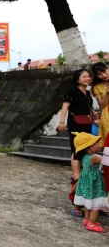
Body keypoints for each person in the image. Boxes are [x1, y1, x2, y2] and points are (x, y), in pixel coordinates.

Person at [58, 69, 98, 217]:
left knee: (86, 147)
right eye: (84, 76)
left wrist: (93, 112)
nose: (87, 79)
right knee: (76, 148)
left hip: (86, 122)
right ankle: (75, 174)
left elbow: (87, 106)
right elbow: (65, 107)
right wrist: (61, 121)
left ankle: (80, 169)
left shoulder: (87, 93)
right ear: (77, 79)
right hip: (75, 123)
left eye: (89, 76)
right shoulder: (71, 91)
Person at [72, 132, 108, 233]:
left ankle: (87, 220)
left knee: (88, 203)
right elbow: (106, 161)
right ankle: (92, 223)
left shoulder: (84, 157)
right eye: (96, 143)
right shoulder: (94, 157)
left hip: (87, 185)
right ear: (88, 148)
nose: (99, 145)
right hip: (94, 185)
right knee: (96, 205)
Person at [91, 62, 109, 147]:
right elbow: (102, 105)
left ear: (108, 68)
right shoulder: (97, 87)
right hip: (107, 116)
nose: (103, 75)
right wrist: (107, 93)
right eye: (99, 74)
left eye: (104, 71)